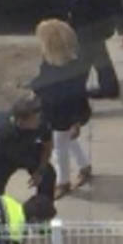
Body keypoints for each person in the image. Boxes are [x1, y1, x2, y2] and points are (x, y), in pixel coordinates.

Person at [30, 19, 92, 198]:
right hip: (60, 114)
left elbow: (76, 97)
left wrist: (76, 122)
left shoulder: (65, 71)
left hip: (63, 116)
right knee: (68, 142)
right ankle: (84, 166)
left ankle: (63, 182)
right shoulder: (74, 64)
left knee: (60, 148)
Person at [0, 96, 57, 200]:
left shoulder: (42, 123)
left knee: (47, 176)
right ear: (21, 121)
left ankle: (43, 209)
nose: (39, 120)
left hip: (27, 150)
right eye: (35, 119)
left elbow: (47, 146)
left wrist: (40, 171)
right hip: (2, 158)